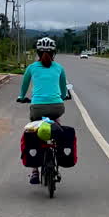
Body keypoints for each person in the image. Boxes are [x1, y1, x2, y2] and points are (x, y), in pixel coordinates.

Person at [18, 37, 70, 184]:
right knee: (57, 126)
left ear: (38, 52)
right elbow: (63, 90)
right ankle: (57, 154)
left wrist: (21, 97)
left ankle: (34, 171)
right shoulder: (59, 68)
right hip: (57, 107)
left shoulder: (32, 68)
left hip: (37, 108)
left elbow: (24, 87)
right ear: (54, 53)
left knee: (33, 133)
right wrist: (63, 96)